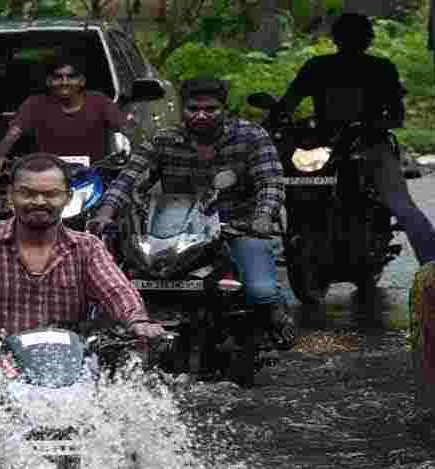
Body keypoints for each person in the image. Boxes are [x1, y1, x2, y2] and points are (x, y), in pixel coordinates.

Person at [87, 76, 296, 349]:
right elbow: (129, 178)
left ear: (224, 109)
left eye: (210, 109)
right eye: (193, 109)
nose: (201, 115)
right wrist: (106, 211)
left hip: (238, 226)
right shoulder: (165, 139)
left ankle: (274, 320)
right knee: (134, 277)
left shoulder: (251, 136)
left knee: (260, 290)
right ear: (182, 109)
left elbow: (270, 181)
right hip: (180, 231)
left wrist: (263, 216)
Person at [0, 153, 166, 342]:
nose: (39, 201)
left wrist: (138, 321)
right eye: (27, 193)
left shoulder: (88, 247)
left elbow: (116, 290)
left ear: (67, 198)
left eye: (51, 194)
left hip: (68, 368)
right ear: (10, 196)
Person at [272, 11, 435, 265]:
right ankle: (434, 271)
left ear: (334, 38)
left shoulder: (326, 67)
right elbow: (286, 106)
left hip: (367, 146)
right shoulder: (370, 67)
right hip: (331, 146)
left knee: (401, 206)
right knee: (294, 192)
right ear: (369, 40)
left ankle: (434, 268)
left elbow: (286, 104)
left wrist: (367, 127)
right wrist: (277, 124)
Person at [0, 55, 134, 178]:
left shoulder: (99, 101)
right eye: (58, 77)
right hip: (46, 178)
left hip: (93, 176)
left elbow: (124, 127)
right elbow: (14, 132)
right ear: (49, 82)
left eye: (71, 77)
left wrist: (131, 132)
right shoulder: (35, 104)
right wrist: (0, 152)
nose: (64, 82)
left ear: (82, 81)